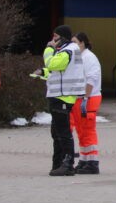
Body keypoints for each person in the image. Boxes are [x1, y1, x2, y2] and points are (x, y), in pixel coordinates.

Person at [42, 24, 86, 176]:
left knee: (63, 132)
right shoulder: (67, 50)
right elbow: (58, 70)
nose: (53, 41)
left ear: (63, 38)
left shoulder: (68, 50)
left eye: (55, 37)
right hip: (60, 95)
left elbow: (52, 63)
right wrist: (44, 72)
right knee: (57, 131)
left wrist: (49, 49)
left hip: (63, 96)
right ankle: (59, 163)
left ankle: (67, 164)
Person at [69, 32, 103, 174]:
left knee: (88, 129)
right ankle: (84, 159)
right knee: (81, 130)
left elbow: (91, 78)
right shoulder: (80, 57)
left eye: (75, 42)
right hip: (81, 98)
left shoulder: (89, 57)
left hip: (88, 98)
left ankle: (92, 162)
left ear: (82, 43)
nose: (73, 45)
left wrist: (85, 98)